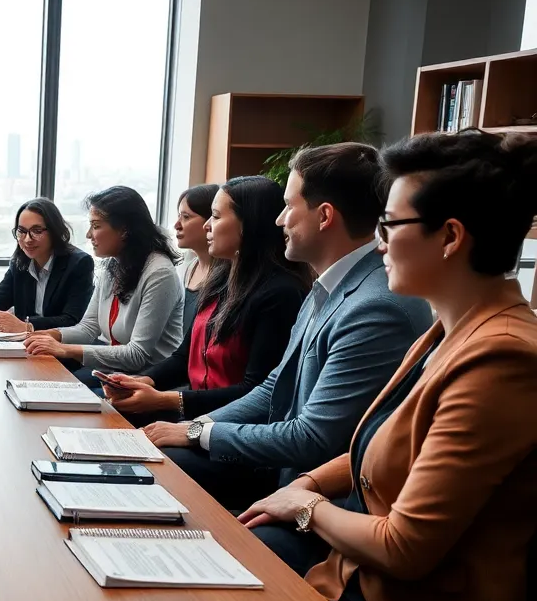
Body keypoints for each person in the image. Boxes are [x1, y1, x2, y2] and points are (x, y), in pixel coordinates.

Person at [238, 130, 537, 601]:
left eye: (388, 227)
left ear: (450, 237)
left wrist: (305, 506)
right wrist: (298, 491)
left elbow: (405, 548)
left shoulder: (503, 358)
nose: (377, 247)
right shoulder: (448, 330)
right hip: (361, 585)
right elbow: (373, 448)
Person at [141, 143, 434, 510]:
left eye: (289, 206)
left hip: (318, 499)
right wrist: (194, 428)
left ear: (324, 216)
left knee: (158, 474)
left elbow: (313, 437)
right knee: (155, 461)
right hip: (285, 471)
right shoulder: (329, 284)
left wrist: (200, 432)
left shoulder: (375, 307)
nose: (279, 220)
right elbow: (273, 388)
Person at [101, 177, 309, 424]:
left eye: (217, 216)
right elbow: (183, 357)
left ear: (248, 225)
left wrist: (166, 400)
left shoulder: (280, 293)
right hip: (194, 411)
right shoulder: (221, 278)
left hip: (230, 427)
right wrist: (145, 380)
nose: (208, 226)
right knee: (106, 410)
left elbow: (256, 392)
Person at [24, 186, 183, 380]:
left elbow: (137, 355)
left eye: (96, 226)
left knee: (54, 384)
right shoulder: (113, 265)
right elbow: (88, 327)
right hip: (116, 372)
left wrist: (64, 349)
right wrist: (48, 335)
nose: (89, 235)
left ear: (124, 230)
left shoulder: (159, 273)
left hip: (146, 380)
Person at [0, 198, 94, 332]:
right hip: (24, 345)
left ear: (54, 231)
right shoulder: (19, 263)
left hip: (61, 346)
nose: (27, 239)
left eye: (37, 231)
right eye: (21, 231)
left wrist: (27, 325)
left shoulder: (79, 263)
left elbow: (72, 319)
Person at [173, 184, 221, 329]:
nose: (177, 225)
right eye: (179, 216)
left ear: (210, 221)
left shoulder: (227, 277)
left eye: (186, 217)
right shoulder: (188, 268)